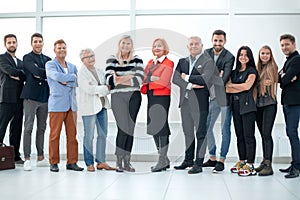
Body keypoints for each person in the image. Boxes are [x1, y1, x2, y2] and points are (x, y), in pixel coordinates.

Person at [173, 36, 223, 174]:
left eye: (196, 44)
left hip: (200, 103)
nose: (194, 46)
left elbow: (205, 79)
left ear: (201, 46)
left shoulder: (208, 61)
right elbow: (175, 78)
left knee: (201, 133)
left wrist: (187, 77)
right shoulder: (182, 61)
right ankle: (188, 160)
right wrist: (190, 85)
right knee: (188, 132)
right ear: (188, 46)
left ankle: (198, 163)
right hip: (185, 102)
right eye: (191, 44)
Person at [105, 35, 144, 172]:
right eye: (123, 43)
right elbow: (109, 80)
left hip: (134, 96)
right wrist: (129, 77)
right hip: (118, 97)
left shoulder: (137, 59)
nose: (125, 46)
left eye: (128, 43)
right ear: (119, 44)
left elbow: (139, 80)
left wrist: (119, 78)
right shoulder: (112, 59)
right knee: (123, 127)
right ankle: (119, 160)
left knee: (130, 128)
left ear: (131, 46)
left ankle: (127, 161)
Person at [45, 39, 83, 172]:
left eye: (64, 48)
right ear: (54, 50)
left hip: (72, 105)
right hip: (57, 105)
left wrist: (66, 80)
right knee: (54, 135)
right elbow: (54, 76)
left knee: (72, 135)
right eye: (59, 48)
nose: (62, 50)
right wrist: (70, 78)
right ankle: (53, 162)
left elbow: (77, 82)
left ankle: (72, 162)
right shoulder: (50, 64)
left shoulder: (72, 66)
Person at [78, 48, 115, 172]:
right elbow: (89, 89)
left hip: (102, 106)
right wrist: (103, 88)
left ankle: (101, 161)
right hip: (89, 108)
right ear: (82, 60)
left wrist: (102, 88)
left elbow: (108, 86)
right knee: (89, 136)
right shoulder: (81, 73)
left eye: (92, 55)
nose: (91, 58)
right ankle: (89, 163)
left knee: (103, 135)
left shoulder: (99, 71)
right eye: (88, 57)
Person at [203, 30, 235, 173]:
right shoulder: (206, 53)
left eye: (220, 41)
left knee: (224, 129)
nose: (217, 43)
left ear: (225, 41)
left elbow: (225, 77)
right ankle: (212, 157)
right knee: (207, 127)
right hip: (213, 96)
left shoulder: (229, 57)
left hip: (225, 98)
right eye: (215, 40)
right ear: (212, 40)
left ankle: (221, 160)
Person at [141, 38, 174, 172]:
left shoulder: (169, 63)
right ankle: (164, 159)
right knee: (153, 127)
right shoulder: (150, 62)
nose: (157, 48)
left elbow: (164, 82)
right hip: (151, 97)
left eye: (159, 46)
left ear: (164, 48)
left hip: (162, 97)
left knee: (161, 127)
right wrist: (150, 79)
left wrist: (149, 80)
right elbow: (143, 79)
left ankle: (161, 160)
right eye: (154, 46)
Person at [21, 33, 51, 171]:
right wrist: (43, 73)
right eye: (35, 41)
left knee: (42, 128)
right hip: (30, 97)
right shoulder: (27, 57)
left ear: (43, 43)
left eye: (40, 41)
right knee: (28, 127)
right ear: (31, 43)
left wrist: (41, 73)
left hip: (44, 97)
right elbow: (34, 71)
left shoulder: (48, 59)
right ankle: (27, 158)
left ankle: (40, 157)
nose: (38, 43)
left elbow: (48, 74)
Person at [226, 46, 258, 177]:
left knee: (248, 136)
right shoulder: (233, 73)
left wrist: (233, 86)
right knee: (239, 135)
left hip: (248, 106)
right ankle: (242, 161)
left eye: (246, 55)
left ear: (249, 57)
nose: (243, 57)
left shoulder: (252, 71)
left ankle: (250, 165)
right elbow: (226, 89)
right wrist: (239, 87)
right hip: (235, 105)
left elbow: (247, 86)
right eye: (241, 54)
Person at [0, 34, 25, 164]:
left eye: (14, 42)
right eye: (9, 42)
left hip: (19, 99)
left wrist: (18, 74)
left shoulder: (21, 62)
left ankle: (15, 156)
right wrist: (18, 73)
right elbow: (9, 70)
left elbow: (25, 75)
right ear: (5, 45)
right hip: (6, 98)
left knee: (16, 128)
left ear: (17, 44)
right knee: (1, 126)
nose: (12, 44)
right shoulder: (1, 58)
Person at [278, 34, 300, 179]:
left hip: (294, 102)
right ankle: (294, 163)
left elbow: (284, 79)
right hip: (288, 102)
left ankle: (297, 166)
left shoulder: (297, 60)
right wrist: (284, 77)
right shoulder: (289, 61)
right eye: (282, 45)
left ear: (294, 45)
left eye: (287, 44)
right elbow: (281, 78)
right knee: (290, 132)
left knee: (292, 132)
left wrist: (285, 77)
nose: (284, 47)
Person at [254, 45, 278, 176]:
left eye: (267, 53)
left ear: (270, 55)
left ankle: (269, 165)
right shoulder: (256, 69)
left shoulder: (273, 67)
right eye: (262, 53)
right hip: (258, 106)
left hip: (269, 105)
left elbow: (272, 80)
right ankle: (264, 161)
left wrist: (259, 82)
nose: (264, 55)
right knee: (263, 134)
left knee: (267, 133)